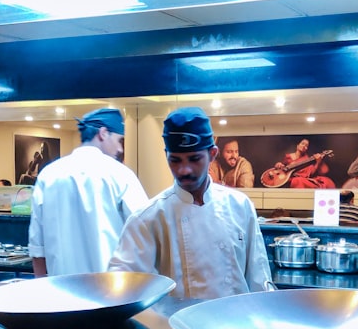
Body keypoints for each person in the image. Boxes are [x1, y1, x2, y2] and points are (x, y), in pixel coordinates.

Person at [109, 107, 271, 312]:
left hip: (237, 328)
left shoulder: (239, 205)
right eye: (175, 160)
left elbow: (259, 277)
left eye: (194, 159)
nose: (184, 170)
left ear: (212, 154)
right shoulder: (148, 218)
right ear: (166, 155)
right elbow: (123, 290)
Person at [28, 108, 148, 277]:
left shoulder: (48, 175)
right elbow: (145, 232)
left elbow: (37, 249)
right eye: (119, 140)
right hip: (112, 292)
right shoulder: (119, 174)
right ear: (103, 133)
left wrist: (43, 293)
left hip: (61, 293)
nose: (120, 149)